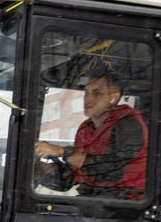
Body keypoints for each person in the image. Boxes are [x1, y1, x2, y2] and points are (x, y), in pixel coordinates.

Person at [34, 69, 148, 200]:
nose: (88, 99)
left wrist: (61, 151)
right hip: (93, 201)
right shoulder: (85, 129)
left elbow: (111, 169)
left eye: (96, 93)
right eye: (86, 92)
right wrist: (43, 169)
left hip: (126, 203)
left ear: (113, 97)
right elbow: (72, 177)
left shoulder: (128, 124)